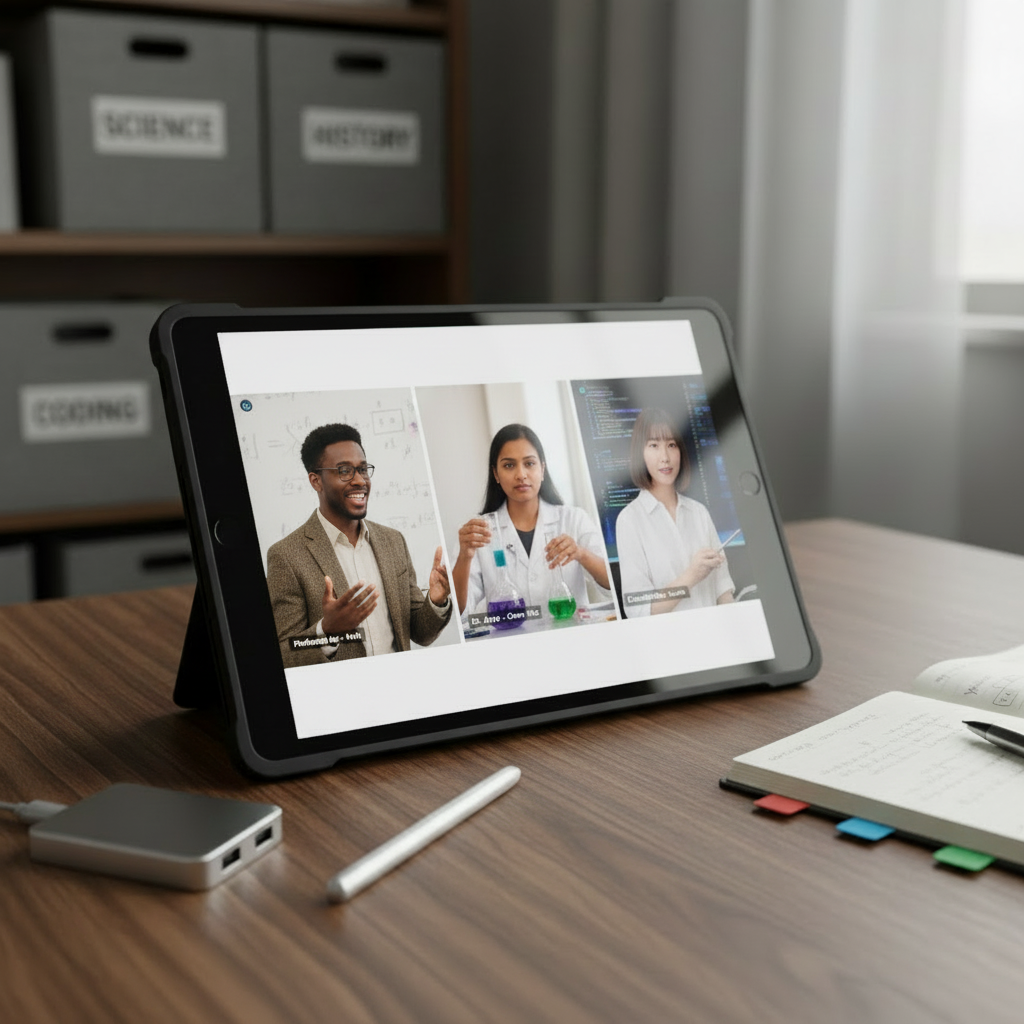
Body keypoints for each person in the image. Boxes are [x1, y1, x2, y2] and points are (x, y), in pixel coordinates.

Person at [266, 423, 451, 668]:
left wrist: (437, 600)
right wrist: (326, 630)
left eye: (362, 469)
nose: (359, 481)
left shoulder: (393, 541)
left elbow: (421, 633)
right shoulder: (286, 556)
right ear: (316, 481)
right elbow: (284, 654)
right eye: (344, 471)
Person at [452, 423, 611, 621]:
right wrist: (464, 557)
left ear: (542, 469)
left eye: (529, 463)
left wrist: (581, 553)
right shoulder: (478, 532)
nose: (521, 475)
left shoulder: (574, 519)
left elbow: (613, 586)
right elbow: (458, 612)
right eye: (509, 465)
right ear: (496, 474)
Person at [615, 407, 735, 616]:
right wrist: (691, 576)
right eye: (653, 445)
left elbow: (723, 590)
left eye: (671, 445)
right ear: (640, 454)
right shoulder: (629, 520)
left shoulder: (699, 512)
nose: (665, 457)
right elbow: (638, 608)